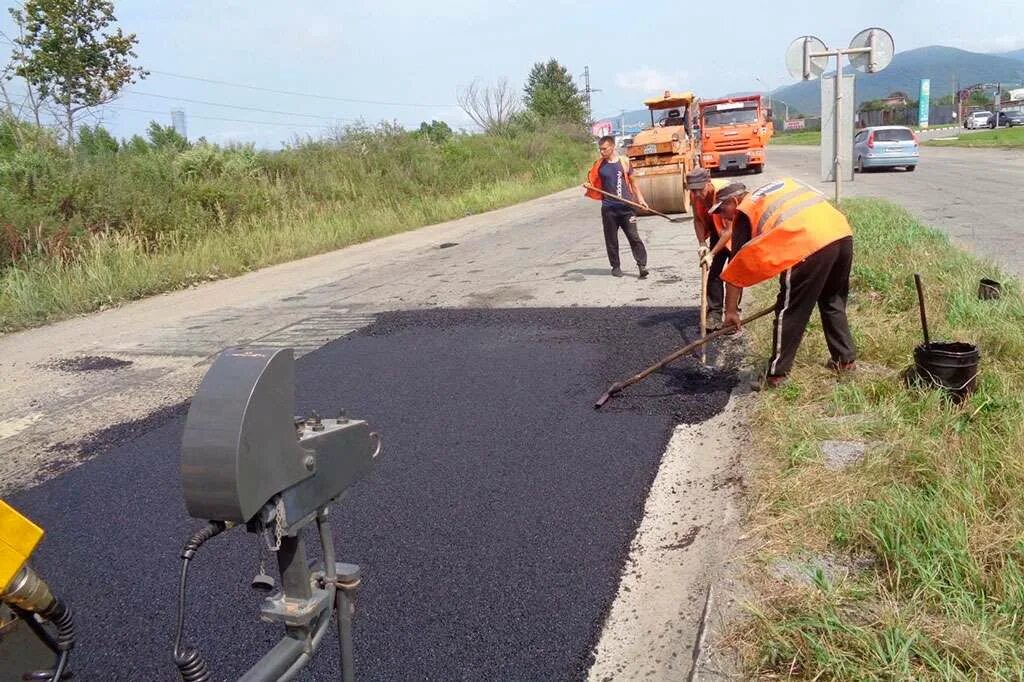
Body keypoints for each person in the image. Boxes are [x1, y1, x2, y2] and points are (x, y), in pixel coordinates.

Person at [710, 178, 856, 388]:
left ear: (734, 200)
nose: (722, 216)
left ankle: (777, 375)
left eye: (722, 210)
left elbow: (736, 268)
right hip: (840, 233)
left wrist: (730, 310)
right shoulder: (771, 192)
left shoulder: (745, 210)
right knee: (832, 300)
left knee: (789, 310)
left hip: (807, 241)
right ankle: (845, 361)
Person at [583, 135, 650, 278]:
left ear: (612, 147)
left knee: (634, 237)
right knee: (611, 239)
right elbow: (592, 181)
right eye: (600, 149)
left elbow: (633, 183)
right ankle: (616, 266)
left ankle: (642, 265)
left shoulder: (624, 162)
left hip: (627, 207)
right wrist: (589, 185)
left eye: (604, 149)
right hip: (609, 208)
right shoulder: (599, 165)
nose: (601, 152)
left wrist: (641, 199)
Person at [686, 169, 737, 328]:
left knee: (733, 274)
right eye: (693, 190)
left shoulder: (723, 193)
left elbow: (730, 230)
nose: (697, 193)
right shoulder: (695, 195)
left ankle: (733, 312)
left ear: (708, 182)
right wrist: (702, 243)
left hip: (736, 232)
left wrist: (712, 253)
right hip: (717, 231)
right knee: (714, 273)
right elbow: (698, 220)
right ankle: (714, 313)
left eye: (700, 189)